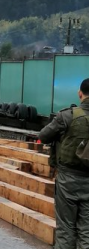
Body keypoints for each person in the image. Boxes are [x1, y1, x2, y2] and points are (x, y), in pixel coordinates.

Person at [39, 78, 89, 249]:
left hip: (68, 179)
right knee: (87, 231)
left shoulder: (67, 115)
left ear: (80, 93)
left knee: (66, 229)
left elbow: (44, 136)